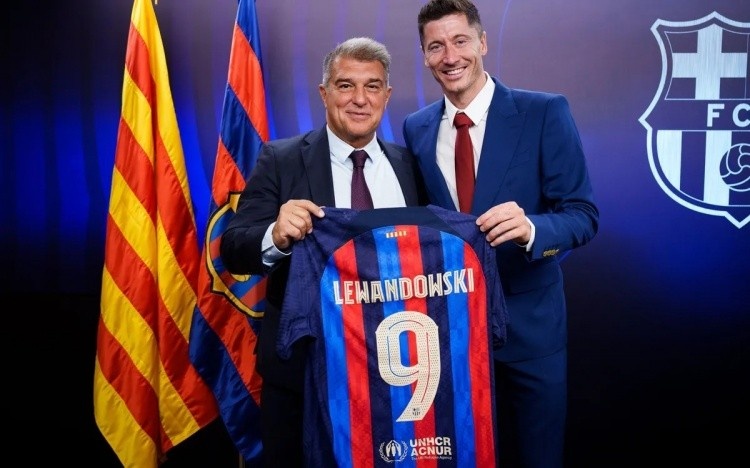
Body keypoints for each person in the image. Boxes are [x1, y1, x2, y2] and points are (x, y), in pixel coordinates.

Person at [402, 1, 599, 467]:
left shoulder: (544, 111)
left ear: (483, 42)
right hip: (450, 338)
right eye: (436, 46)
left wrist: (532, 228)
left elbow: (582, 215)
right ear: (425, 56)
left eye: (460, 41)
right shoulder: (417, 128)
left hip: (531, 331)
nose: (450, 56)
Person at [220, 37, 426, 467]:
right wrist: (275, 234)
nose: (359, 99)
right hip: (302, 372)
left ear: (387, 95)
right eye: (345, 85)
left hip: (397, 372)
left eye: (372, 86)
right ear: (324, 92)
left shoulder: (411, 165)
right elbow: (234, 249)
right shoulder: (281, 158)